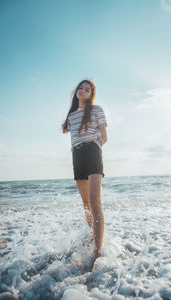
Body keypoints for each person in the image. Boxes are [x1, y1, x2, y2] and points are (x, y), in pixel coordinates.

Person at [62, 79, 108, 268]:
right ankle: (92, 237)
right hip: (77, 154)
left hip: (92, 151)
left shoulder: (97, 110)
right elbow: (67, 131)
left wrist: (94, 146)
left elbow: (104, 136)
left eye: (87, 89)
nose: (82, 90)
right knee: (86, 204)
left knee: (95, 203)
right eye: (80, 88)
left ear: (91, 94)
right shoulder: (71, 116)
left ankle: (97, 252)